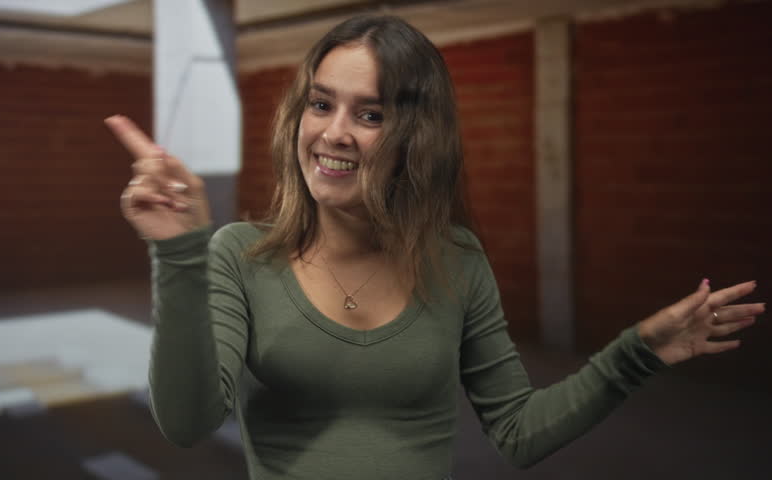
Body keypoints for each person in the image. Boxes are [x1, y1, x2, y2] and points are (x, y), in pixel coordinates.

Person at [104, 14, 762, 480]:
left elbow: (519, 431)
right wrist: (180, 252)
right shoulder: (239, 255)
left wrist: (637, 353)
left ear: (415, 136)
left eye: (370, 113)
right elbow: (188, 424)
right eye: (320, 104)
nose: (333, 133)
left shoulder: (456, 259)